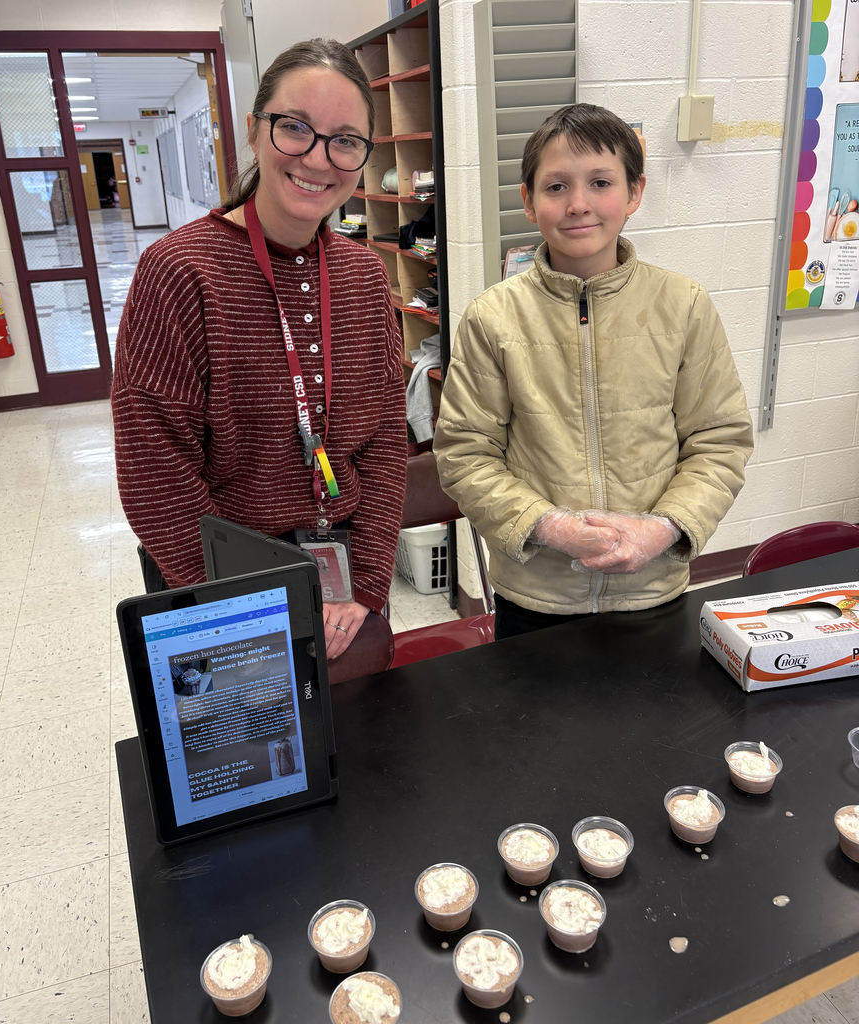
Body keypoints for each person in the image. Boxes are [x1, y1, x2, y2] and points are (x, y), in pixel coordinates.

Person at [112, 39, 407, 660]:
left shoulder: (363, 275)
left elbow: (384, 440)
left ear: (361, 158)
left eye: (345, 140)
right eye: (295, 128)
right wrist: (249, 612)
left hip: (347, 577)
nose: (318, 158)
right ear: (253, 131)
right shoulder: (179, 271)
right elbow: (154, 471)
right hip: (224, 586)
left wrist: (370, 587)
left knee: (376, 747)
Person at [433, 104, 754, 640]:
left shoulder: (684, 305)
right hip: (536, 597)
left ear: (634, 193)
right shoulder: (492, 317)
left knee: (657, 724)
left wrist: (663, 528)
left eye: (600, 182)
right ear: (529, 202)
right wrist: (551, 526)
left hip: (653, 591)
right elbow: (466, 454)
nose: (578, 204)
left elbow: (719, 442)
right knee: (534, 725)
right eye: (556, 187)